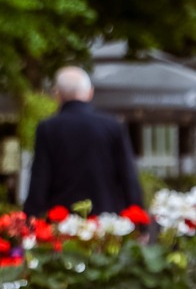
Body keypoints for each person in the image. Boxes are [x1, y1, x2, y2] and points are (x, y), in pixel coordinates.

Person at [24, 67, 143, 217]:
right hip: (107, 221)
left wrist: (29, 218)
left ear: (57, 94)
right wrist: (139, 218)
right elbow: (128, 175)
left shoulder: (48, 128)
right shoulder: (112, 125)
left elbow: (40, 178)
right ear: (90, 92)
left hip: (62, 220)